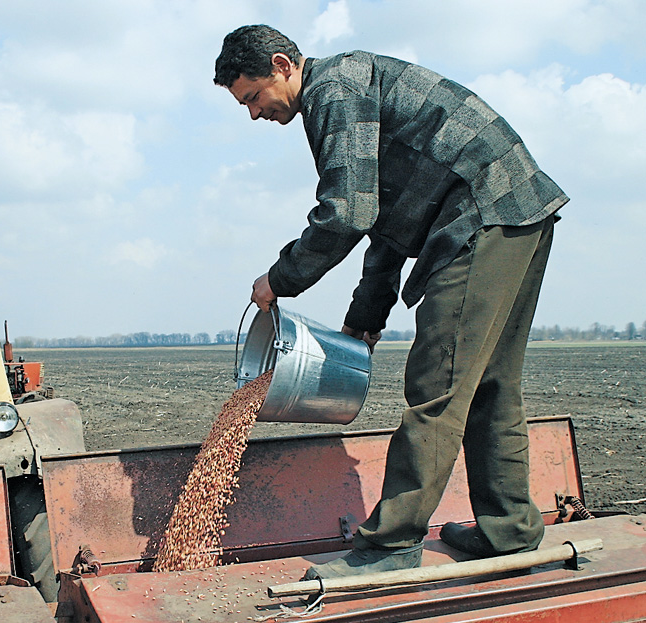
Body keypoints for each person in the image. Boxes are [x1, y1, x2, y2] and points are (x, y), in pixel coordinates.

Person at [214, 25, 568, 579]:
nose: (254, 114)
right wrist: (364, 319)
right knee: (491, 382)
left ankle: (391, 545)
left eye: (253, 97)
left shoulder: (333, 91)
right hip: (517, 209)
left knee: (437, 384)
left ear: (283, 65)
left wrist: (279, 279)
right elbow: (383, 216)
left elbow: (348, 212)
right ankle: (510, 529)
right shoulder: (352, 86)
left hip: (480, 213)